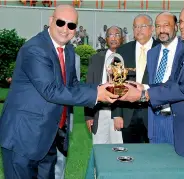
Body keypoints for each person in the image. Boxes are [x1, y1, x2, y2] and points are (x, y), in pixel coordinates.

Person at [0, 5, 117, 179]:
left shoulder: (68, 50)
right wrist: (95, 95)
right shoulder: (35, 49)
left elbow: (73, 85)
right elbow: (51, 91)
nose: (65, 29)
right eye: (61, 22)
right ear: (50, 21)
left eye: (71, 25)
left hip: (49, 136)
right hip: (23, 138)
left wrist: (102, 88)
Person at [120, 5, 184, 179]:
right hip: (182, 129)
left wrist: (145, 95)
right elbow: (172, 82)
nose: (182, 25)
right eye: (181, 21)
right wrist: (144, 87)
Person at [111, 14, 159, 143]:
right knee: (131, 156)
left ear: (152, 28)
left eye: (142, 26)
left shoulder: (161, 49)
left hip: (153, 112)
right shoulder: (122, 51)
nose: (138, 30)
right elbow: (117, 83)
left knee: (155, 156)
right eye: (135, 26)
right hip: (128, 112)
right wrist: (116, 114)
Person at [147, 12, 184, 144]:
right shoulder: (151, 53)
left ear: (176, 27)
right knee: (155, 161)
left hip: (177, 119)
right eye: (158, 26)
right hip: (155, 117)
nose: (162, 30)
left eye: (166, 25)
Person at [84, 26, 124, 144]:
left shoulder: (127, 58)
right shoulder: (96, 58)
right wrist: (88, 116)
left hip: (119, 113)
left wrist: (119, 114)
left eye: (116, 35)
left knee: (119, 151)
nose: (113, 38)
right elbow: (89, 86)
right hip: (99, 112)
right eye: (110, 35)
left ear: (122, 38)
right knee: (100, 150)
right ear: (106, 39)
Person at [55, 53, 81, 179]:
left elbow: (76, 86)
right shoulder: (39, 51)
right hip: (42, 117)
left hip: (65, 115)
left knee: (61, 157)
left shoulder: (74, 57)